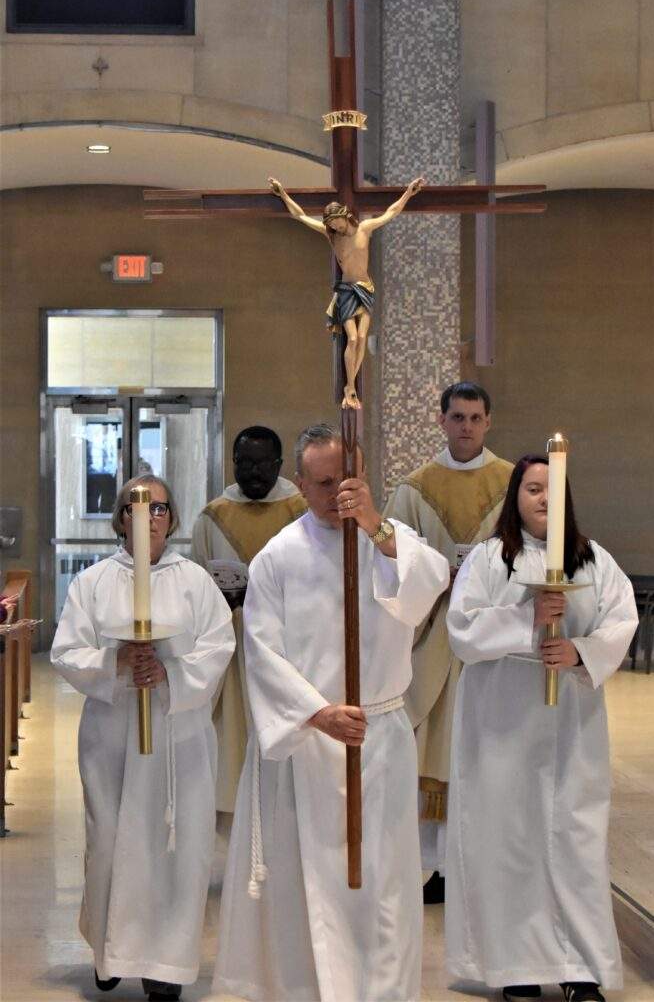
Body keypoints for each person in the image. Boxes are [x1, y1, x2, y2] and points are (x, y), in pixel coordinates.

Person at [213, 423, 449, 1002]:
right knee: (307, 883)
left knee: (388, 883)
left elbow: (429, 584)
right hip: (309, 745)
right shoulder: (279, 557)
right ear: (299, 483)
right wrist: (317, 714)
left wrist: (376, 527)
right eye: (320, 484)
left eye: (344, 480)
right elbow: (261, 654)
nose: (333, 493)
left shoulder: (389, 538)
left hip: (380, 733)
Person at [445, 455, 638, 1002]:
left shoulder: (593, 559)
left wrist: (579, 649)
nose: (544, 499)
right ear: (516, 496)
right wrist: (524, 619)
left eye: (553, 490)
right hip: (503, 716)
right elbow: (461, 630)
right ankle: (515, 970)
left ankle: (580, 967)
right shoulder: (490, 559)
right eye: (533, 488)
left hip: (570, 718)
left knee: (574, 840)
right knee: (509, 840)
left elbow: (622, 619)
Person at [52, 474, 234, 1002]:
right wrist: (116, 661)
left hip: (179, 734)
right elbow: (67, 651)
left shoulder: (195, 581)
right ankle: (111, 951)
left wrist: (171, 675)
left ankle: (166, 967)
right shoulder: (93, 583)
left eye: (158, 509)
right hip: (113, 734)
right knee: (110, 842)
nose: (148, 518)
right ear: (119, 519)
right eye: (137, 508)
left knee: (179, 847)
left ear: (171, 519)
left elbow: (218, 647)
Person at [384, 381, 512, 902]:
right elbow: (391, 561)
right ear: (441, 420)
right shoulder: (415, 488)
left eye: (475, 418)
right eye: (456, 417)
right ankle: (433, 869)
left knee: (484, 748)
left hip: (489, 636)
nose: (465, 427)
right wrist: (438, 579)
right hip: (432, 638)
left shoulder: (513, 482)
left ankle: (476, 864)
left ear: (488, 422)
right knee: (431, 750)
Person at [191, 426, 306, 815]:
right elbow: (194, 584)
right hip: (234, 648)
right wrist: (220, 598)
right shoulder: (212, 517)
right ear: (233, 464)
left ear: (279, 465)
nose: (254, 472)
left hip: (289, 648)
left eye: (263, 464)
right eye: (246, 463)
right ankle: (237, 820)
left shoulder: (302, 511)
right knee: (236, 737)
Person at [268, 175, 425, 409]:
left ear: (344, 215)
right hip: (346, 291)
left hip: (365, 289)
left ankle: (351, 389)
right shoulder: (332, 237)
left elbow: (391, 212)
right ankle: (349, 387)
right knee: (351, 338)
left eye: (336, 223)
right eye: (331, 225)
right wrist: (282, 194)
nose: (335, 227)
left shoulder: (365, 229)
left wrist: (408, 193)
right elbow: (299, 215)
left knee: (362, 337)